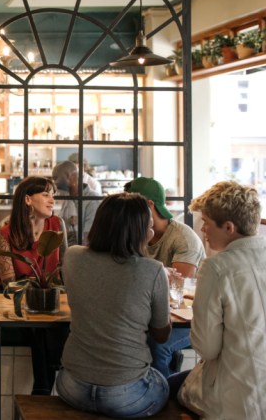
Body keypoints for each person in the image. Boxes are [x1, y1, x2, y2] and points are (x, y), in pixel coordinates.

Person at [56, 193, 171, 418]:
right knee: (167, 382)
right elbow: (162, 335)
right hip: (127, 396)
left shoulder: (72, 256)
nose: (152, 231)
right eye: (148, 226)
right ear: (140, 231)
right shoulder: (153, 270)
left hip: (71, 387)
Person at [171, 181, 266, 419]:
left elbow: (206, 348)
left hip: (238, 398)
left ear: (229, 227)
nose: (202, 230)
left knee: (163, 388)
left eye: (206, 223)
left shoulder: (216, 267)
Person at [125, 177, 205, 377]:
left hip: (189, 320)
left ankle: (163, 400)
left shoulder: (183, 238)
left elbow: (179, 288)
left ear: (149, 205)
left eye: (130, 202)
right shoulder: (134, 232)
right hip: (152, 315)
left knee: (157, 345)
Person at [0, 176, 68, 395]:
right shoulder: (6, 234)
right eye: (45, 194)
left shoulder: (57, 225)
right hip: (16, 297)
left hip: (51, 294)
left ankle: (43, 390)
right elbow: (9, 281)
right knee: (39, 325)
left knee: (58, 321)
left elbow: (64, 266)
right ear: (27, 200)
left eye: (53, 194)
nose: (51, 200)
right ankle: (45, 389)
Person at [53, 160, 102, 245]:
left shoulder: (93, 199)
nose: (55, 183)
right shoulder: (68, 198)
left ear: (69, 176)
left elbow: (88, 239)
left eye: (55, 178)